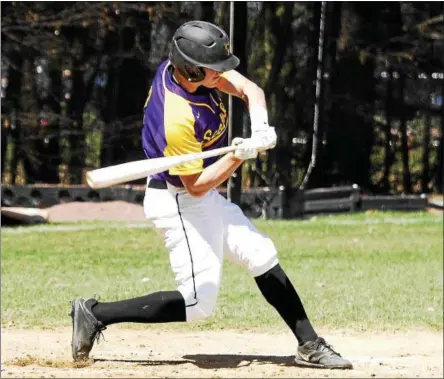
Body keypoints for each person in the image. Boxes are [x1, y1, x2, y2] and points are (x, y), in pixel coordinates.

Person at [70, 20, 352, 370]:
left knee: (260, 254)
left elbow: (251, 91)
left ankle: (309, 344)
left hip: (199, 196)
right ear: (190, 70)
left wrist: (261, 127)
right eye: (214, 71)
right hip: (177, 202)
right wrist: (239, 155)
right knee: (197, 304)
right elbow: (196, 185)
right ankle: (95, 313)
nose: (222, 76)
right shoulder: (177, 118)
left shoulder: (190, 71)